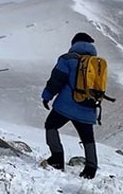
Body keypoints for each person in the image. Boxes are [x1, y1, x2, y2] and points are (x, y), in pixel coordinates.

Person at [41, 32, 101, 179]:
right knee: (87, 138)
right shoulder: (96, 63)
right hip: (88, 107)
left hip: (66, 106)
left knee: (51, 125)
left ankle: (57, 158)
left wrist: (46, 97)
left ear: (74, 43)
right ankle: (91, 168)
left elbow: (56, 80)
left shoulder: (67, 59)